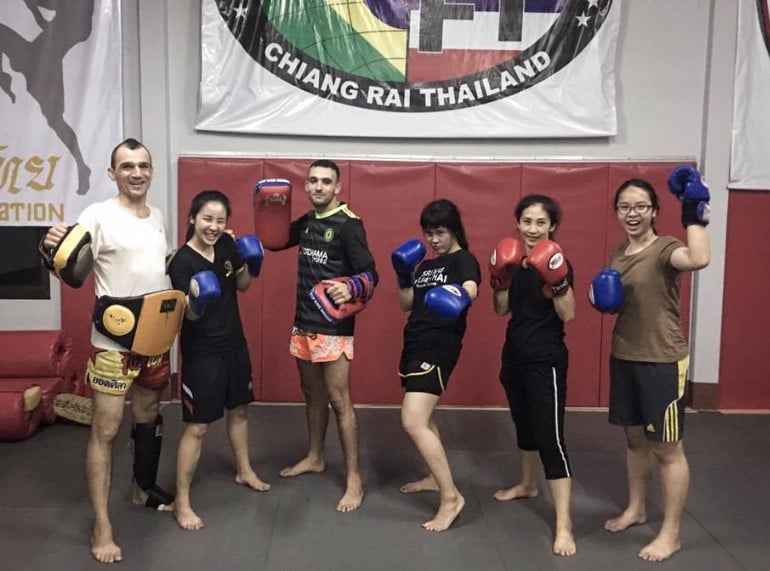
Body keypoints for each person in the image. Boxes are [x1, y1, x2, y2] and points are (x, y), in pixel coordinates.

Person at [41, 138, 178, 564]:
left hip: (155, 341)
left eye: (143, 166)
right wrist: (49, 247)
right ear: (111, 173)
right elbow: (70, 269)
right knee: (106, 430)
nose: (136, 173)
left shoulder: (156, 216)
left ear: (151, 171)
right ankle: (102, 525)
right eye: (126, 166)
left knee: (149, 416)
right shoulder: (97, 215)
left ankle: (142, 487)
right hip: (114, 346)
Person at [591, 171, 710, 562]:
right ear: (616, 212)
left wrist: (694, 213)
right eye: (625, 206)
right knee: (634, 441)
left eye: (641, 206)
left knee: (668, 449)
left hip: (661, 360)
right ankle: (636, 508)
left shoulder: (665, 248)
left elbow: (698, 258)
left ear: (655, 210)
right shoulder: (618, 253)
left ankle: (671, 533)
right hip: (625, 355)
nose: (632, 213)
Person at [273, 159, 377, 513]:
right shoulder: (306, 223)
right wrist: (241, 233)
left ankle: (353, 479)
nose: (318, 187)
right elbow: (273, 241)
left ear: (338, 188)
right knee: (310, 393)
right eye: (313, 181)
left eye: (326, 182)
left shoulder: (349, 225)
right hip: (303, 321)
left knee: (338, 400)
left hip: (333, 327)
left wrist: (352, 287)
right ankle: (315, 456)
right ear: (306, 185)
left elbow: (371, 274)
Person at [166, 190, 270, 531]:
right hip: (202, 354)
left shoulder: (226, 245)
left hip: (234, 345)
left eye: (220, 220)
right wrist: (199, 297)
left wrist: (252, 266)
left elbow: (241, 285)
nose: (213, 226)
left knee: (239, 410)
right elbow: (190, 315)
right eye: (207, 219)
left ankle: (244, 470)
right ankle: (182, 501)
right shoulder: (181, 262)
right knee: (197, 427)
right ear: (192, 218)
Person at [489, 194, 577, 556]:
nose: (532, 229)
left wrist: (556, 281)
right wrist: (500, 279)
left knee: (550, 438)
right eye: (527, 221)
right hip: (515, 356)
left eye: (540, 222)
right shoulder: (514, 261)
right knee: (523, 426)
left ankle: (564, 524)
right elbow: (500, 310)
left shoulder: (558, 262)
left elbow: (568, 313)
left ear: (552, 226)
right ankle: (527, 484)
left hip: (546, 361)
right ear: (518, 222)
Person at [391, 198, 481, 531]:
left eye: (440, 232)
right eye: (429, 233)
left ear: (454, 229)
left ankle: (451, 497)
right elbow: (406, 304)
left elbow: (472, 289)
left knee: (412, 420)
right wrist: (403, 276)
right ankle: (433, 475)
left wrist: (458, 296)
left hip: (439, 346)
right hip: (414, 342)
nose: (433, 239)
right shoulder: (425, 266)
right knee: (424, 419)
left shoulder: (463, 260)